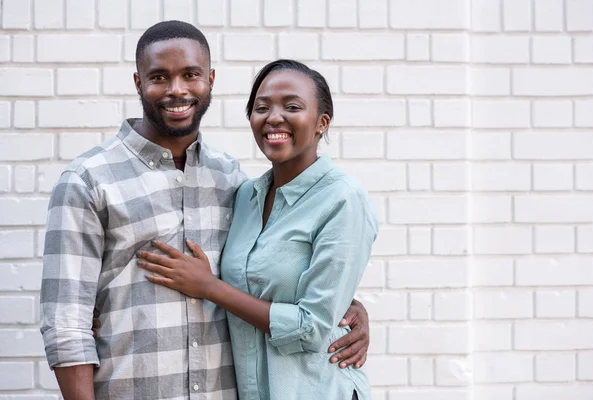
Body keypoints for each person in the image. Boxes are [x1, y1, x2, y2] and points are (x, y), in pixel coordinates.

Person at [40, 21, 370, 400]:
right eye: (159, 77)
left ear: (210, 80)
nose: (177, 90)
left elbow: (269, 271)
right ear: (138, 83)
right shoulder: (88, 180)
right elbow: (66, 323)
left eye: (191, 75)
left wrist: (345, 308)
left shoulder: (230, 179)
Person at [136, 59, 378, 399]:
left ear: (322, 123)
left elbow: (312, 329)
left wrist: (208, 287)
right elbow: (269, 280)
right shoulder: (245, 196)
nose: (274, 117)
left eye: (292, 106)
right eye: (261, 107)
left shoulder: (343, 199)